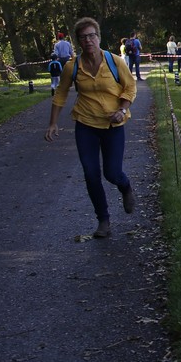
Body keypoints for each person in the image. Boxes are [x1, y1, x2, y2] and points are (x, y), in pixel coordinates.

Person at [45, 17, 138, 239]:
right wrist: (53, 123)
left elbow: (130, 87)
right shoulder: (72, 66)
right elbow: (61, 93)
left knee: (112, 173)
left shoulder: (115, 61)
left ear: (98, 37)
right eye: (83, 37)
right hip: (86, 125)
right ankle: (103, 220)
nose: (88, 40)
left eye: (91, 36)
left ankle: (125, 187)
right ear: (78, 41)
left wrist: (122, 109)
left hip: (113, 124)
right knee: (90, 174)